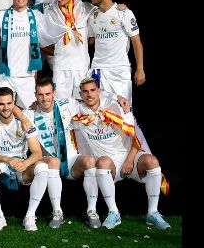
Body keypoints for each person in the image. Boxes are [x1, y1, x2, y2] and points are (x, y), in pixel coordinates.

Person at [70, 78, 170, 230]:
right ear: (80, 94)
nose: (89, 94)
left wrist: (129, 160)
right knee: (102, 161)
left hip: (130, 157)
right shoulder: (77, 113)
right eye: (85, 91)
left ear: (99, 91)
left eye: (92, 90)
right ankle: (114, 213)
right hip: (110, 164)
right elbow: (54, 106)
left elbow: (136, 137)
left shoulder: (115, 108)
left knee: (152, 161)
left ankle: (152, 213)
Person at [30, 78, 102, 229]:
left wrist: (117, 97)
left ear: (54, 93)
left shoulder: (67, 104)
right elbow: (12, 112)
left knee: (90, 161)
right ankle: (57, 212)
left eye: (48, 94)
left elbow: (91, 99)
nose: (45, 98)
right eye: (40, 94)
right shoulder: (30, 113)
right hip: (48, 160)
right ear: (35, 95)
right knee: (53, 161)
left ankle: (92, 211)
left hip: (70, 158)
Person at [0, 87, 48, 231]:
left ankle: (30, 216)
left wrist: (26, 163)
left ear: (14, 103)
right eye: (1, 104)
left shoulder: (25, 121)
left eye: (9, 103)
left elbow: (37, 152)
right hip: (0, 163)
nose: (6, 108)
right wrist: (6, 159)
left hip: (21, 164)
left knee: (42, 167)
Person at [87, 0, 145, 103]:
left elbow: (136, 41)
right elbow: (90, 41)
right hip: (98, 69)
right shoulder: (93, 15)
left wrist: (140, 69)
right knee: (100, 110)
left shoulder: (124, 13)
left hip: (119, 70)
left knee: (122, 109)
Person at [0, 0, 44, 109]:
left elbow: (45, 41)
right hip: (6, 74)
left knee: (30, 112)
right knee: (3, 110)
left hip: (27, 74)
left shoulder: (37, 16)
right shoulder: (1, 15)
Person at [41, 0, 95, 99]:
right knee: (61, 103)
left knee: (82, 102)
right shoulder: (50, 13)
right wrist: (57, 53)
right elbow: (42, 41)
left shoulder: (85, 9)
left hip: (81, 65)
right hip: (61, 66)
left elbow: (92, 37)